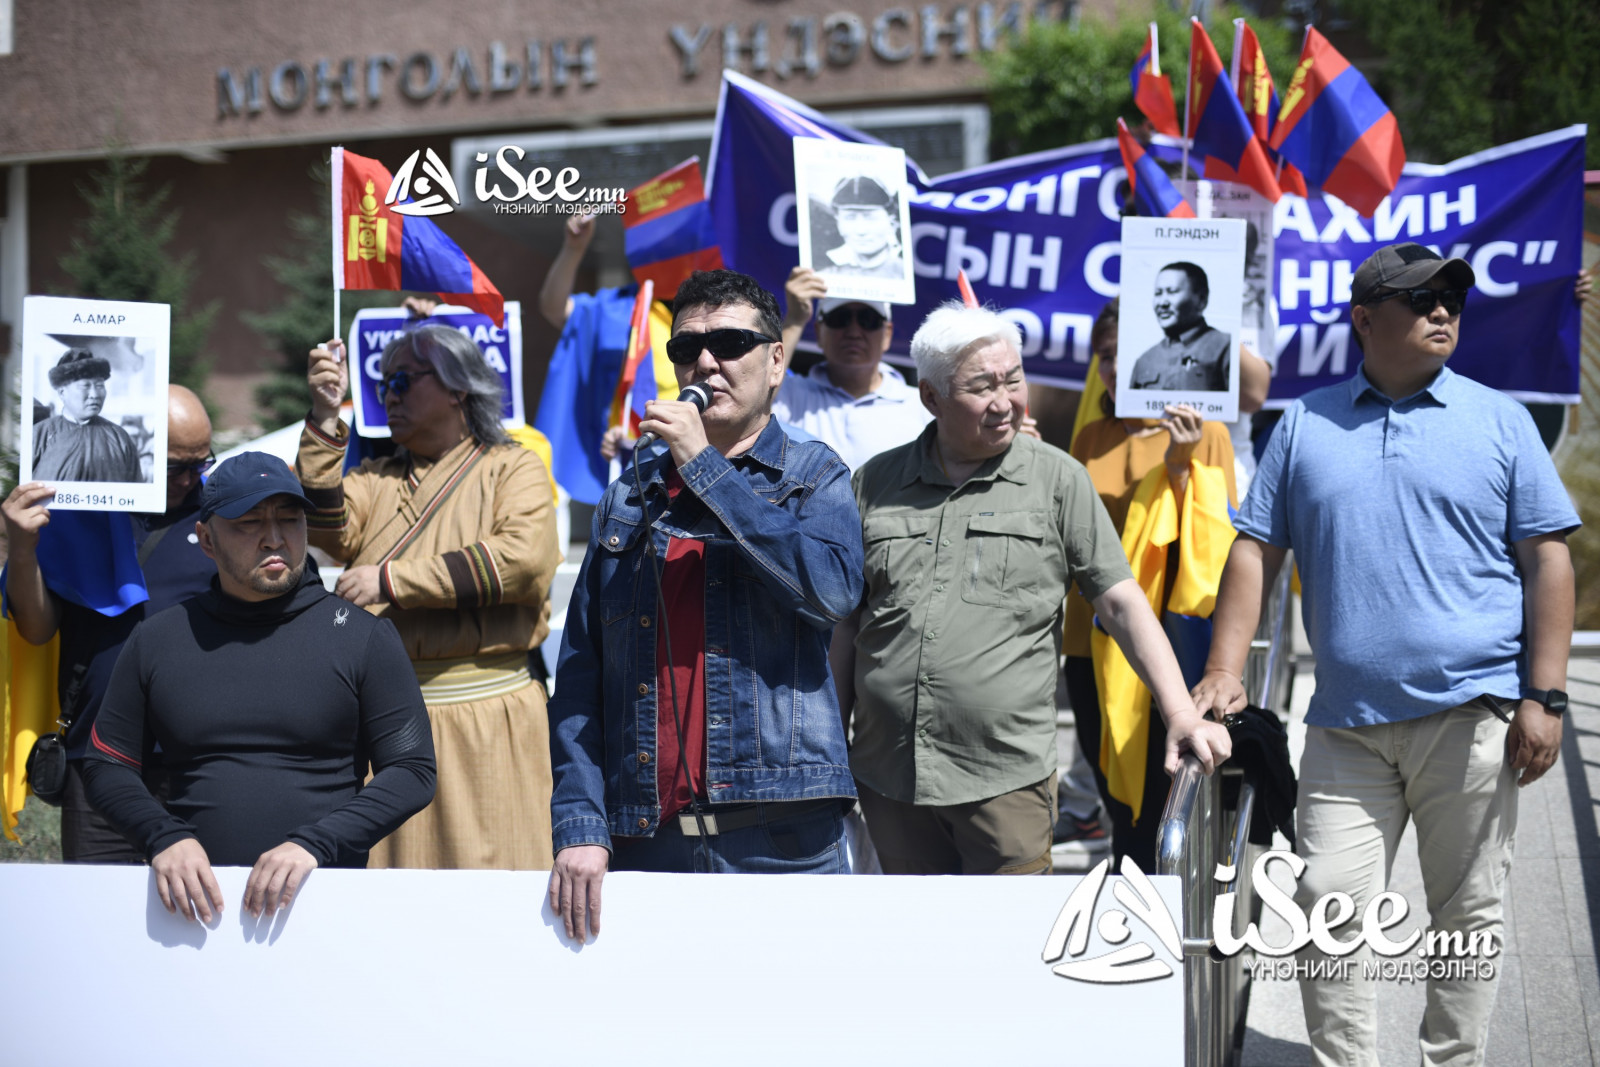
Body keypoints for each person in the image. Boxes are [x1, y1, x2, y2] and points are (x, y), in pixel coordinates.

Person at [1192, 243, 1580, 1066]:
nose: (1445, 309)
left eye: (1452, 297)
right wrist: (1224, 669)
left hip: (1472, 718)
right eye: (1422, 297)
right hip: (1345, 730)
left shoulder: (1501, 418)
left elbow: (1548, 558)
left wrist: (1547, 695)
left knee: (1466, 919)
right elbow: (1255, 550)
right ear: (1366, 319)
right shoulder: (1302, 422)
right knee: (1324, 907)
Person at [835, 302, 1232, 876]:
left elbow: (1120, 601)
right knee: (916, 951)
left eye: (1013, 380)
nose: (1005, 401)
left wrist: (1179, 712)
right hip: (890, 778)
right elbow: (849, 621)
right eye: (981, 386)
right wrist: (830, 745)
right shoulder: (875, 481)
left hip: (1004, 780)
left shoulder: (1057, 477)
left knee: (1010, 955)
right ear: (932, 397)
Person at [547, 269, 863, 942]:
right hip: (644, 843)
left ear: (776, 361)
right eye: (687, 348)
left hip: (780, 844)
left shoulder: (815, 475)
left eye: (729, 342)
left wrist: (706, 468)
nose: (705, 362)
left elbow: (831, 591)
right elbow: (579, 674)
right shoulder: (630, 494)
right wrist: (581, 822)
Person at [81, 453, 437, 922]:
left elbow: (412, 770)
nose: (274, 538)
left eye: (290, 520)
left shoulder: (362, 636)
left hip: (327, 904)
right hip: (191, 914)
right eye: (249, 523)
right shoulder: (159, 638)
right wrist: (163, 835)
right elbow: (106, 763)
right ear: (206, 540)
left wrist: (316, 842)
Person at [299, 324, 562, 870]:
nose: (386, 394)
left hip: (487, 717)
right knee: (390, 894)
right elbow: (326, 530)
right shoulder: (377, 476)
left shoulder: (513, 467)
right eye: (381, 382)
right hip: (385, 722)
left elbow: (524, 562)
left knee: (495, 885)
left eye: (401, 380)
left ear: (458, 388)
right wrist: (326, 419)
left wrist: (391, 581)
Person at [2, 385, 218, 862]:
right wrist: (20, 546)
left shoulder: (223, 517)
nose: (190, 480)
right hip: (99, 760)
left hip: (199, 764)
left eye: (201, 462)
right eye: (174, 466)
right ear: (136, 448)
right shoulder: (77, 510)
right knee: (96, 928)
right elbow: (36, 630)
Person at [1063, 299, 1237, 870]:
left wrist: (1182, 465)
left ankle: (1169, 932)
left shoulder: (1208, 432)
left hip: (1172, 648)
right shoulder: (1090, 437)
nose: (1113, 368)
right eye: (1104, 357)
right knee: (1120, 805)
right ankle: (1130, 932)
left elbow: (1214, 549)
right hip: (1091, 645)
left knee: (1165, 801)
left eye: (1124, 353)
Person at [772, 267, 930, 470]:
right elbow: (754, 398)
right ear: (819, 332)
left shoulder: (923, 406)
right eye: (840, 319)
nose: (854, 332)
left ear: (888, 334)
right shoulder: (787, 395)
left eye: (868, 320)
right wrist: (794, 321)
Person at [32, 348, 142, 483]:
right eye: (85, 386)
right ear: (62, 392)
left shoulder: (119, 437)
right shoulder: (39, 434)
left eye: (100, 385)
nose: (95, 394)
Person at [1129, 262, 1230, 392]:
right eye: (1158, 293)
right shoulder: (1145, 360)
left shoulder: (1225, 348)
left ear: (1201, 299)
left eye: (1172, 292)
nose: (1163, 302)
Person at [817, 176, 903, 280]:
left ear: (892, 224)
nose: (861, 231)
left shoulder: (906, 270)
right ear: (838, 223)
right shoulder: (824, 271)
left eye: (871, 218)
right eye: (850, 218)